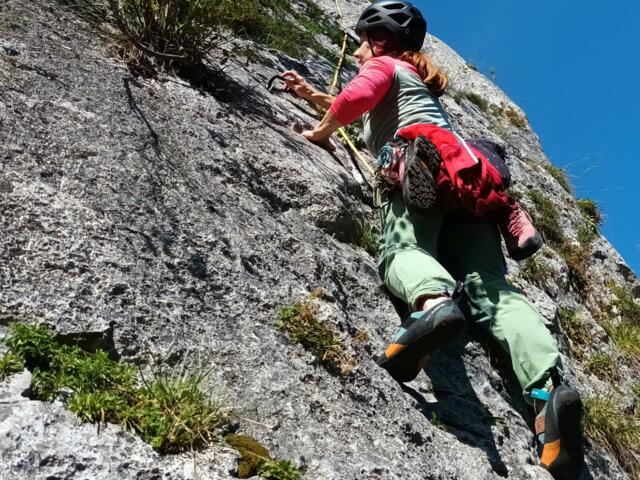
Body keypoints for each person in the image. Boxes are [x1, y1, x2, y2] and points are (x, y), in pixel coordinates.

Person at [283, 2, 583, 478]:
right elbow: (368, 112)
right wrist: (311, 93)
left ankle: (433, 303)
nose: (358, 51)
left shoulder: (382, 64)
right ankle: (549, 394)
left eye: (362, 42)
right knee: (495, 291)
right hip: (470, 190)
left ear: (377, 41)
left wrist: (321, 131)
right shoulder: (418, 86)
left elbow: (356, 100)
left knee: (404, 250)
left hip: (416, 171)